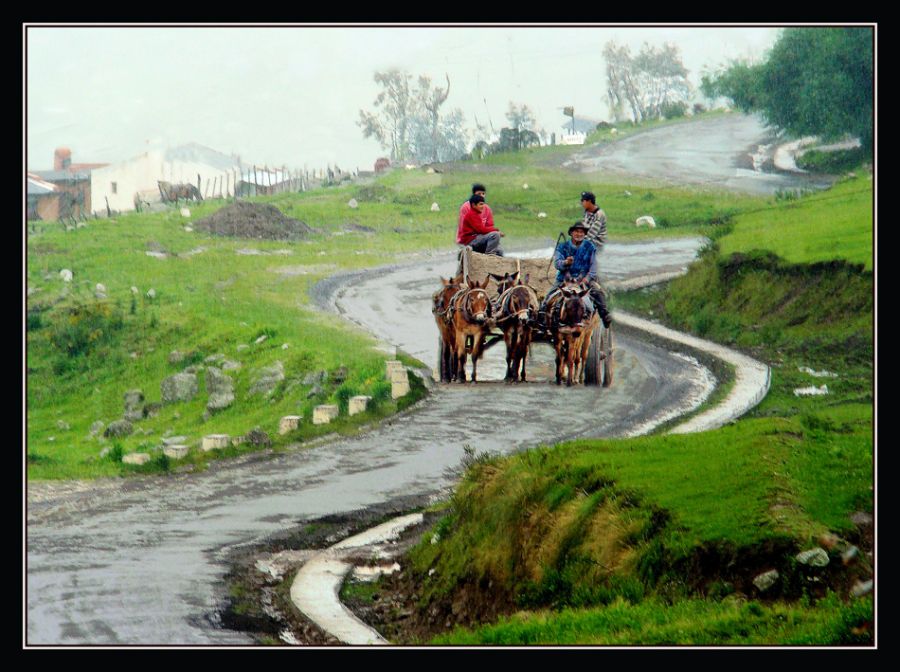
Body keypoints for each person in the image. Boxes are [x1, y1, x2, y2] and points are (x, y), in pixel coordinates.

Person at [540, 221, 612, 328]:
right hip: (564, 279)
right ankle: (542, 320)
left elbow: (593, 267)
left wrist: (587, 279)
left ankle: (604, 316)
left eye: (582, 232)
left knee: (598, 293)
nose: (579, 234)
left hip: (584, 279)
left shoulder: (590, 247)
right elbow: (557, 264)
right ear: (571, 233)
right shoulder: (562, 247)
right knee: (548, 298)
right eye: (576, 232)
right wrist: (566, 262)